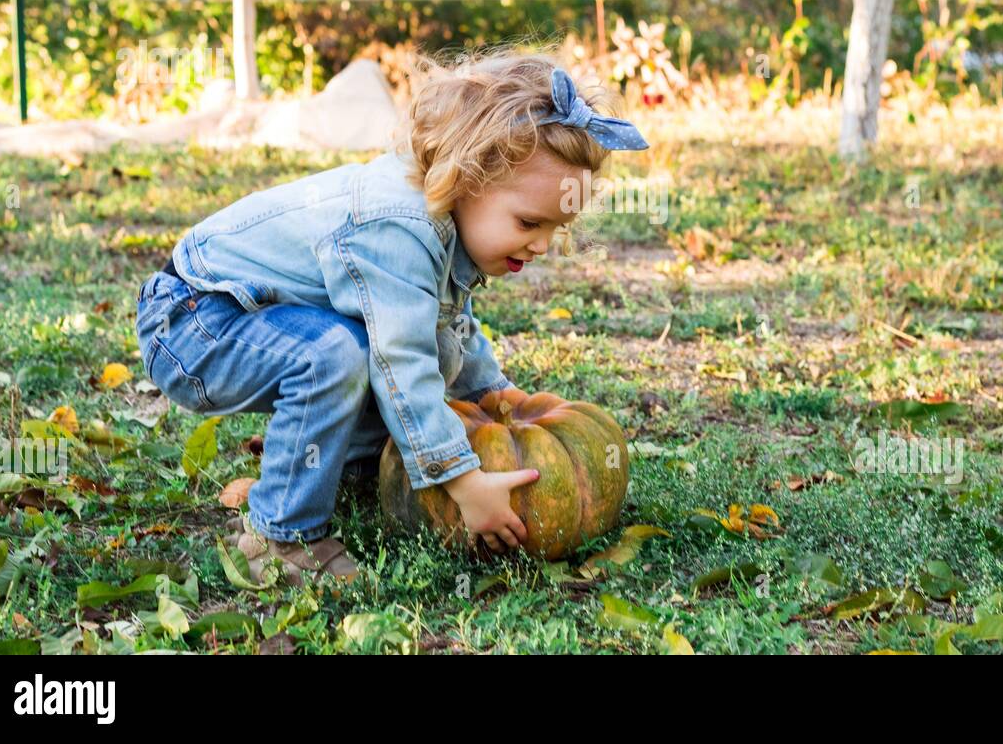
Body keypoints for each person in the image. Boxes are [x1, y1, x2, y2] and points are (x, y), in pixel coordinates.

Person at [134, 46, 649, 585]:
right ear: (469, 178)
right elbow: (401, 363)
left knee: (427, 353)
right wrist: (464, 482)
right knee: (342, 357)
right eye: (529, 222)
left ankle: (345, 472)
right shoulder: (398, 226)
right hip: (193, 320)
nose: (542, 245)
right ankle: (281, 535)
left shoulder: (446, 216)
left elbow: (449, 327)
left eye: (556, 229)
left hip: (247, 318)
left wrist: (495, 394)